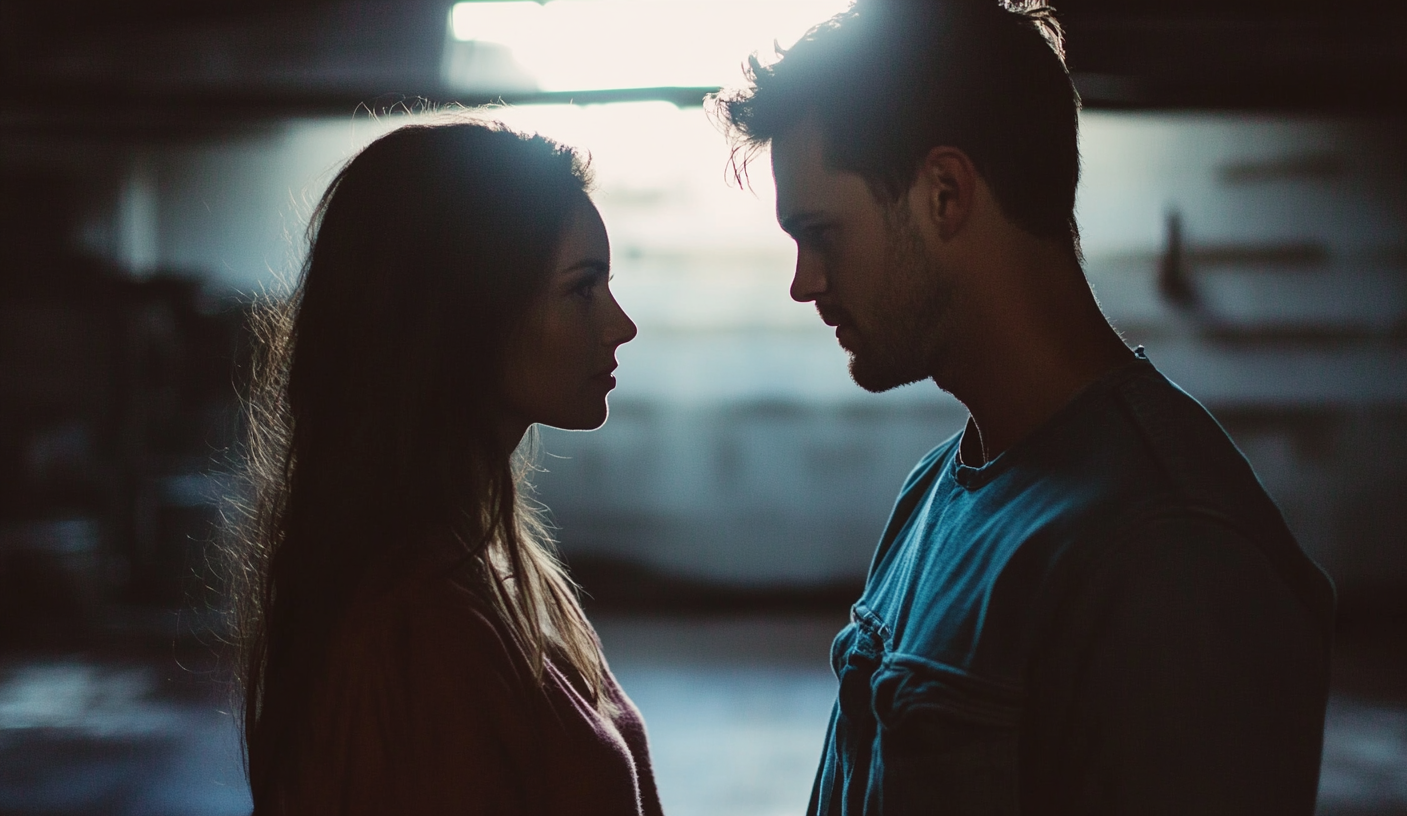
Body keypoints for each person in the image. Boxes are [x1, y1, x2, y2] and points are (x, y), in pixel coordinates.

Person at [717, 1, 1334, 813]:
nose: (805, 281)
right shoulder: (938, 490)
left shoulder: (1170, 553)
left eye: (822, 233)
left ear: (945, 193)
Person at [232, 118, 660, 816]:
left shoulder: (487, 567)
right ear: (465, 315)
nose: (620, 324)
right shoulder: (419, 628)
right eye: (582, 289)